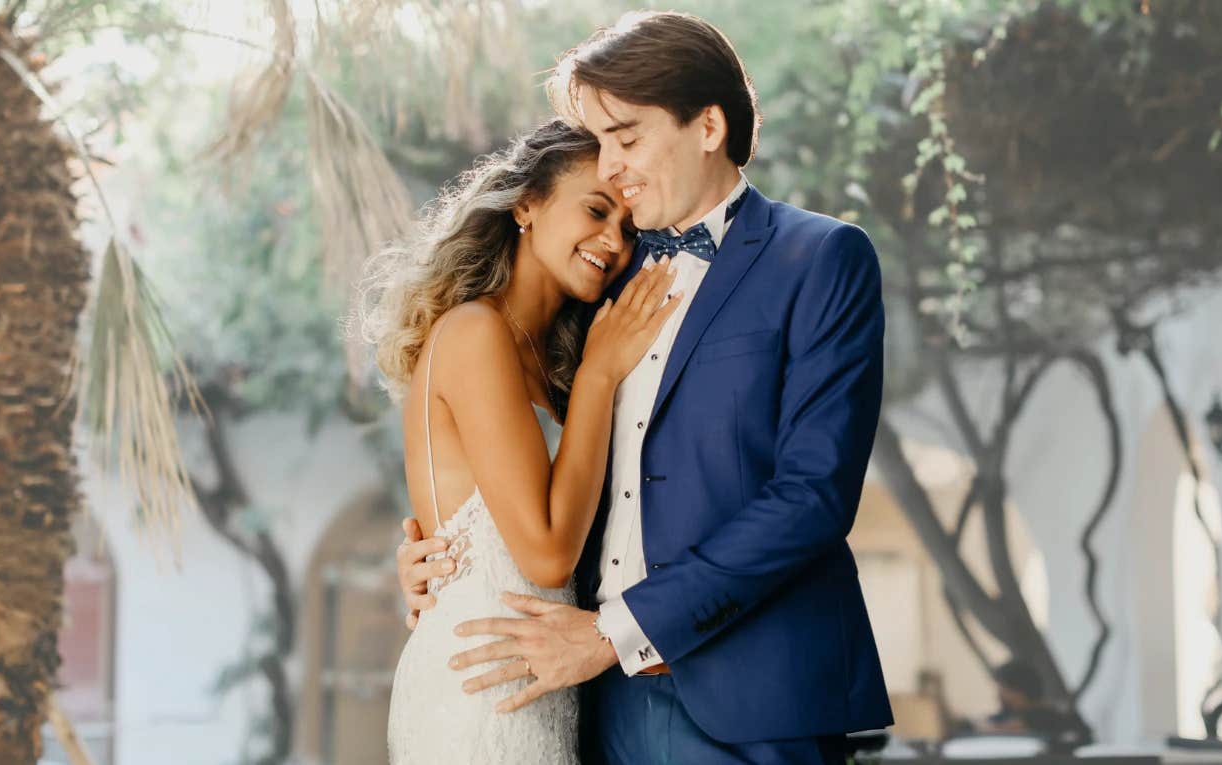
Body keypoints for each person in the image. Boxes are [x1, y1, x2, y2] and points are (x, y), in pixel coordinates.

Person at [396, 10, 893, 763]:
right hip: (585, 706)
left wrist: (611, 634)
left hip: (755, 698)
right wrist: (439, 557)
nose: (612, 166)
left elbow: (813, 497)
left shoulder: (822, 258)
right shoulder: (595, 274)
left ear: (708, 127)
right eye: (597, 144)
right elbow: (523, 462)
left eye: (625, 138)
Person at [362, 118, 681, 763]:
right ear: (527, 205)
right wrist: (599, 374)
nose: (613, 240)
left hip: (542, 683)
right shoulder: (477, 333)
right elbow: (545, 556)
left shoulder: (550, 363)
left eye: (627, 226)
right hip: (482, 688)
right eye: (596, 209)